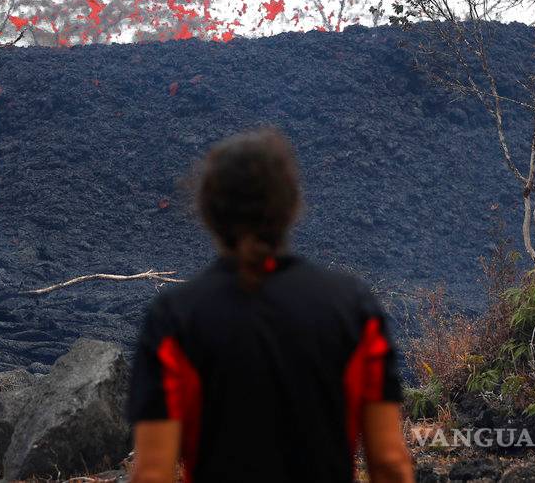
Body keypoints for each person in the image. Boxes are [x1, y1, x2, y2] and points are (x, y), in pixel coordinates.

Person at [126, 128, 414, 483]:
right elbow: (388, 463)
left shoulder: (174, 319)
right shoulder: (353, 309)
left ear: (207, 211)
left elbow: (152, 472)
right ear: (291, 206)